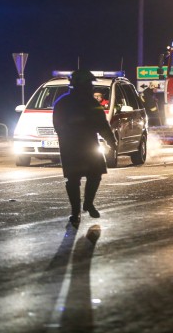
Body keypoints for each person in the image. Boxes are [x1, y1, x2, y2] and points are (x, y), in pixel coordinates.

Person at [53, 70, 118, 228]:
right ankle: (81, 208)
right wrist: (111, 141)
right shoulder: (89, 103)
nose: (91, 87)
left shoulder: (63, 102)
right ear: (81, 85)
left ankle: (81, 208)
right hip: (84, 146)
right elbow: (102, 126)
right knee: (89, 176)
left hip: (72, 147)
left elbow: (58, 126)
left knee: (79, 178)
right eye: (88, 84)